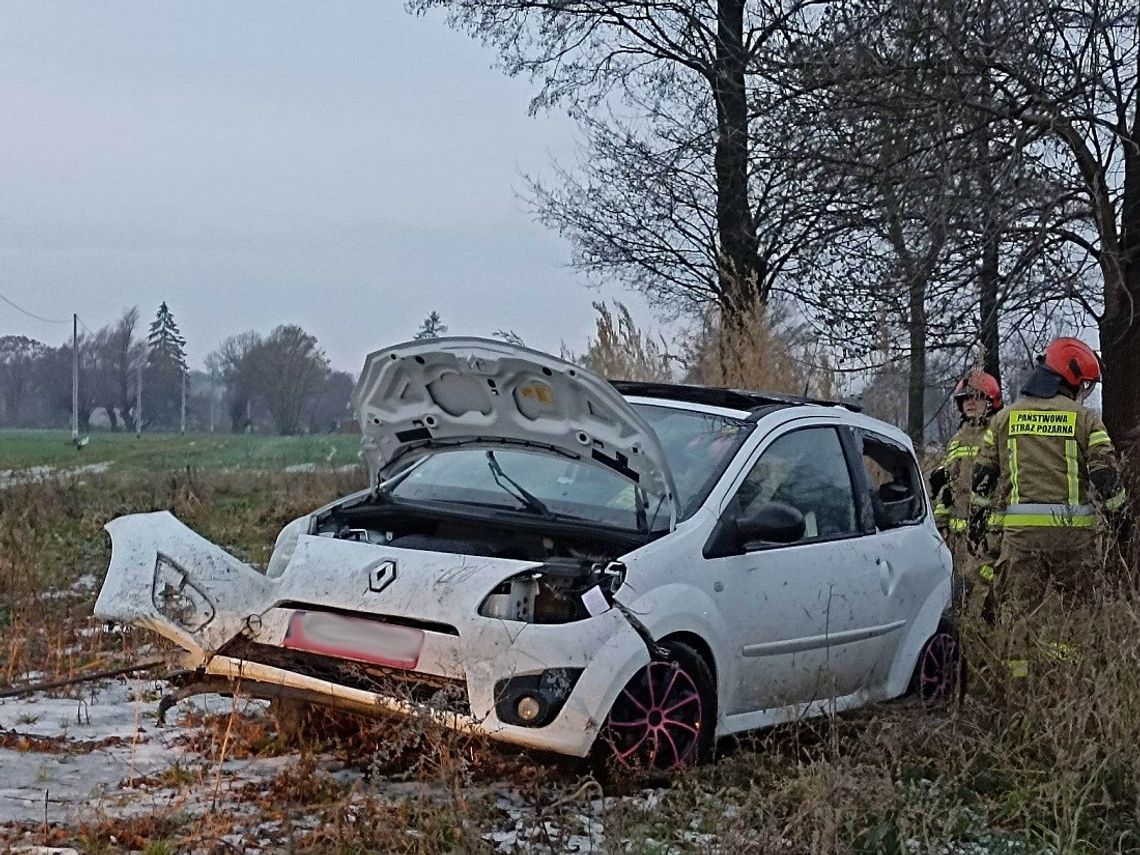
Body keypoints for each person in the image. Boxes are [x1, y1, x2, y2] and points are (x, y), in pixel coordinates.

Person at [969, 337, 1127, 677]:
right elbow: (1106, 478)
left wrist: (977, 527)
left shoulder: (1005, 419)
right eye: (1083, 384)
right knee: (1077, 613)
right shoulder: (1085, 420)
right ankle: (1073, 679)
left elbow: (982, 480)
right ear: (1068, 378)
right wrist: (1123, 526)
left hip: (1021, 539)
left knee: (1018, 616)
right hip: (1073, 541)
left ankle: (1018, 687)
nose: (1084, 392)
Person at [930, 370, 1003, 616]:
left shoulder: (997, 436)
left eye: (977, 397)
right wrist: (941, 521)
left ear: (991, 402)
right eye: (965, 398)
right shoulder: (956, 440)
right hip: (959, 540)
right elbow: (947, 489)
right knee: (959, 598)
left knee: (990, 598)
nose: (970, 402)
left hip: (990, 535)